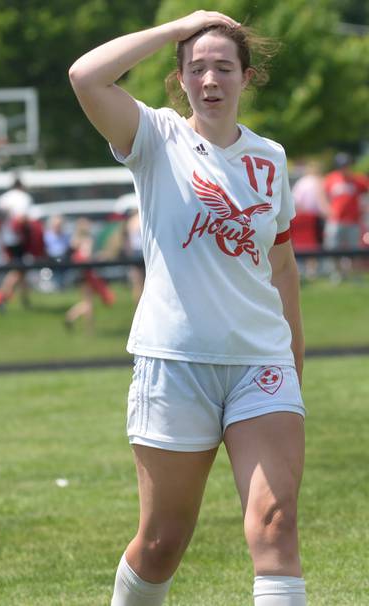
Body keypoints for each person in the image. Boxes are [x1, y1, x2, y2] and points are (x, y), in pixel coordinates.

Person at [70, 11, 306, 606]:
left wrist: (294, 367)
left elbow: (280, 268)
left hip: (262, 366)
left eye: (224, 67)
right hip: (174, 365)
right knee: (162, 542)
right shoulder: (155, 137)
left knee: (275, 524)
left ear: (245, 77)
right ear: (179, 79)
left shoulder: (270, 159)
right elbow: (86, 76)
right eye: (196, 68)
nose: (210, 80)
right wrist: (184, 24)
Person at [322, 152, 369, 278]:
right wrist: (327, 209)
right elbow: (323, 195)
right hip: (335, 220)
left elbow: (366, 193)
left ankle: (354, 275)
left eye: (347, 165)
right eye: (342, 165)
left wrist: (365, 208)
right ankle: (336, 274)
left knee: (354, 250)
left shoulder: (358, 180)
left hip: (353, 221)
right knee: (333, 248)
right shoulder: (331, 179)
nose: (344, 168)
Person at [0, 176, 34, 310]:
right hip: (19, 239)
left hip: (6, 239)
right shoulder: (24, 198)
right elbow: (22, 219)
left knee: (22, 271)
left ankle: (25, 300)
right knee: (17, 271)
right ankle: (2, 299)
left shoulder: (3, 199)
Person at [290, 160, 328, 278]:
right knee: (315, 244)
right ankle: (313, 270)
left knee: (302, 243)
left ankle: (303, 270)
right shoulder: (319, 182)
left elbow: (295, 201)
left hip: (301, 218)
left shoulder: (301, 182)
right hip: (315, 218)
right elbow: (322, 202)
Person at [43, 214, 72, 289]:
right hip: (50, 259)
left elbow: (68, 248)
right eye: (56, 225)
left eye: (60, 225)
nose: (58, 227)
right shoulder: (46, 235)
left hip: (63, 259)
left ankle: (60, 284)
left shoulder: (66, 236)